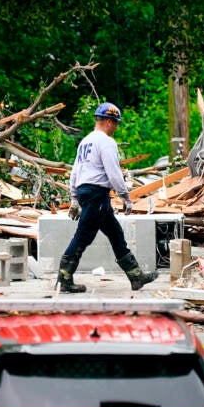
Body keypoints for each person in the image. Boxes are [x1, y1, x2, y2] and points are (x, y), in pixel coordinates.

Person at [58, 102, 158, 293]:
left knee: (115, 234)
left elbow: (75, 172)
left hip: (87, 192)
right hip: (97, 195)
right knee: (82, 236)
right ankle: (64, 279)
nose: (116, 127)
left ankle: (136, 277)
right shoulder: (106, 142)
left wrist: (74, 198)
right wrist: (126, 198)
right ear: (109, 122)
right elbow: (114, 173)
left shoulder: (85, 142)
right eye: (116, 123)